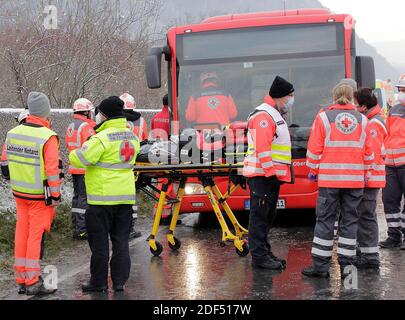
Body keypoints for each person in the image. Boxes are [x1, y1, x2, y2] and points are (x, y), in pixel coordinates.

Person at [302, 84, 374, 278]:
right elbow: (369, 154)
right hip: (354, 181)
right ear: (352, 98)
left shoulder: (323, 118)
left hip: (329, 181)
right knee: (350, 221)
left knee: (325, 221)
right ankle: (347, 268)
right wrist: (365, 174)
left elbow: (314, 150)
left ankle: (320, 267)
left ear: (334, 97)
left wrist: (313, 169)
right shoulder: (363, 120)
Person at [69, 96, 139, 292]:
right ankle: (119, 282)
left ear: (105, 115)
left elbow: (80, 158)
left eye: (99, 113)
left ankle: (98, 282)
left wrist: (74, 152)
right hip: (125, 198)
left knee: (99, 244)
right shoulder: (132, 136)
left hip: (101, 200)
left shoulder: (101, 138)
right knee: (121, 242)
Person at [5, 92, 61, 295]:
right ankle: (33, 281)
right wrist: (55, 196)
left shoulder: (12, 133)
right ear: (46, 113)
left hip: (20, 194)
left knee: (22, 234)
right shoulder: (48, 137)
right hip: (40, 197)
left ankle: (21, 278)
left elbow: (5, 162)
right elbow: (53, 171)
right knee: (35, 238)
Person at [243, 76, 295, 270]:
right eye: (290, 96)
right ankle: (259, 257)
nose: (291, 100)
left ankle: (264, 251)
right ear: (281, 96)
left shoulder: (273, 113)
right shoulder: (264, 116)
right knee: (259, 217)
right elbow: (263, 149)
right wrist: (271, 173)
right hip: (263, 176)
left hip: (269, 176)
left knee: (267, 216)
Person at [353, 88, 387, 268]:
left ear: (364, 107)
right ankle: (367, 255)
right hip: (371, 177)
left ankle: (370, 257)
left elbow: (371, 155)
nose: (354, 108)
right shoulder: (372, 120)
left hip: (370, 178)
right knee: (365, 215)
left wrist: (364, 177)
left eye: (357, 105)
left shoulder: (373, 124)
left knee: (365, 216)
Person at [65, 98, 96, 240]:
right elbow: (92, 148)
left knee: (76, 198)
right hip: (84, 168)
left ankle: (76, 227)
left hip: (74, 167)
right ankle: (82, 229)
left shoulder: (71, 125)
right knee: (84, 199)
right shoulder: (85, 127)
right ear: (86, 112)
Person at [380, 77, 405, 249]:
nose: (401, 93)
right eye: (400, 89)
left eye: (404, 90)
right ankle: (394, 236)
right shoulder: (394, 109)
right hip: (391, 163)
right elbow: (387, 134)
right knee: (389, 199)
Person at [120, 93, 147, 239]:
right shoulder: (141, 121)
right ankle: (131, 226)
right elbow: (144, 142)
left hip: (119, 163)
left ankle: (122, 226)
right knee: (133, 194)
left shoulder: (115, 121)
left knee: (121, 196)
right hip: (136, 163)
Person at [1, 109, 30, 179]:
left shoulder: (11, 136)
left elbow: (5, 172)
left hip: (17, 185)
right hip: (39, 186)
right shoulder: (45, 136)